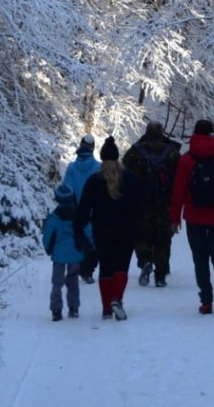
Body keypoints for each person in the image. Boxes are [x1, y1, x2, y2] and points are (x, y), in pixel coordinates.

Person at [169, 118, 214, 314]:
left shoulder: (186, 159)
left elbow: (178, 189)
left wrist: (174, 217)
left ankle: (206, 301)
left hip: (195, 216)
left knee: (200, 259)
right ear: (212, 134)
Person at [76, 136, 145, 320]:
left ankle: (107, 307)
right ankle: (117, 299)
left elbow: (84, 207)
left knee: (105, 267)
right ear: (117, 157)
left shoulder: (94, 180)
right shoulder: (131, 178)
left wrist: (78, 229)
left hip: (102, 229)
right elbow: (143, 204)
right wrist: (138, 222)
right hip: (126, 229)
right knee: (121, 266)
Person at [123, 118, 179, 286]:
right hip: (165, 202)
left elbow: (125, 170)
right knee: (163, 238)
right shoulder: (171, 152)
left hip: (142, 202)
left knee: (141, 236)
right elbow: (180, 176)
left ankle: (145, 262)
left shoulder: (136, 151)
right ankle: (160, 275)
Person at [41, 181, 87, 321]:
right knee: (73, 281)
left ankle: (56, 310)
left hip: (59, 255)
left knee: (57, 283)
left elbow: (47, 236)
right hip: (75, 253)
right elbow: (88, 231)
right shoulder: (78, 215)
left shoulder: (54, 218)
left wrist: (48, 249)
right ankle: (74, 308)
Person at [62, 134, 101, 283]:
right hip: (95, 210)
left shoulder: (71, 167)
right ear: (93, 148)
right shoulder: (99, 167)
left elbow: (67, 189)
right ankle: (88, 271)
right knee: (95, 240)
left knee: (79, 239)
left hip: (77, 210)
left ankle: (79, 266)